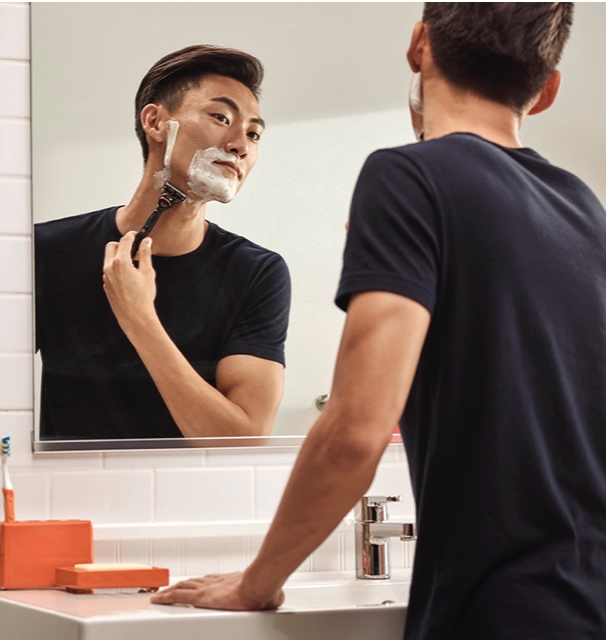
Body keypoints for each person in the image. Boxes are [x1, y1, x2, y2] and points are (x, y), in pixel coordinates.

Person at [150, 4, 606, 639]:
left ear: (419, 44)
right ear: (548, 88)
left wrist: (257, 581)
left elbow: (357, 430)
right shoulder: (581, 205)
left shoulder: (410, 176)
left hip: (501, 609)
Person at [35, 45, 291, 440]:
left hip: (197, 498)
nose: (241, 144)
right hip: (64, 495)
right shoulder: (45, 250)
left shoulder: (256, 273)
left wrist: (140, 319)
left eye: (254, 133)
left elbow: (242, 440)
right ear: (155, 122)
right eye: (221, 117)